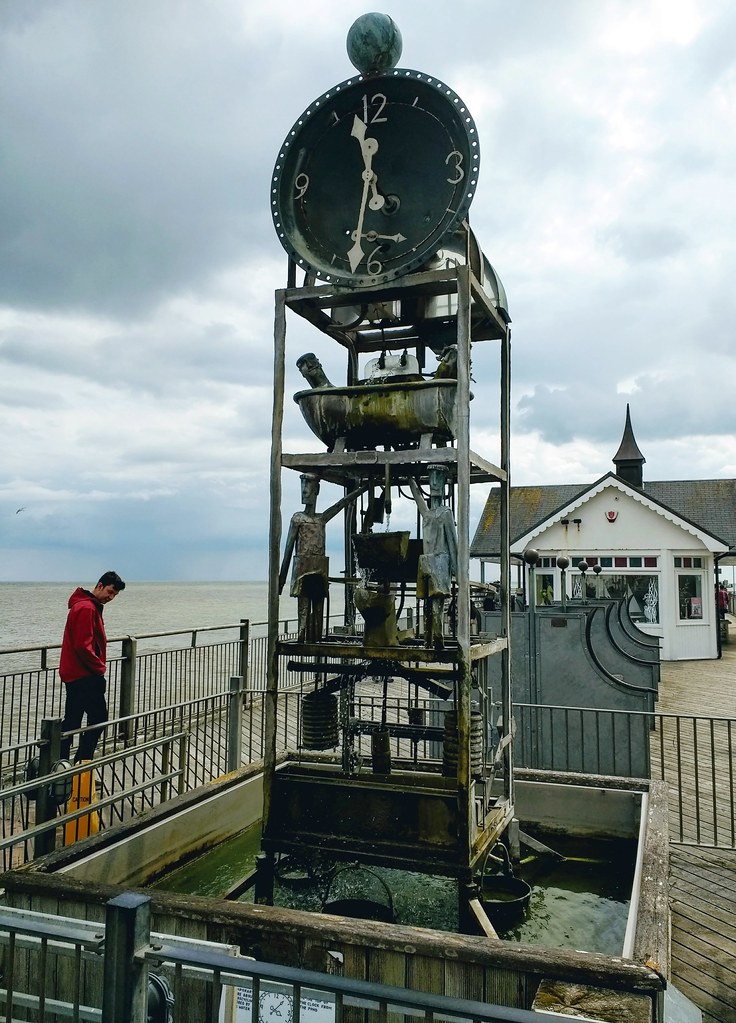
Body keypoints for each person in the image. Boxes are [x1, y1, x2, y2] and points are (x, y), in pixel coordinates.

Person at [279, 475, 364, 642]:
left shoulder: (321, 520)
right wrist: (281, 581)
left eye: (308, 485)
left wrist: (362, 489)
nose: (304, 490)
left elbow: (341, 504)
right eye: (302, 485)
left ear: (316, 490)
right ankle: (302, 636)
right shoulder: (298, 519)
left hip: (318, 568)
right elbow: (288, 550)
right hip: (303, 568)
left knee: (318, 608)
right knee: (303, 608)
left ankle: (316, 637)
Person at [59, 571, 126, 762]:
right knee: (99, 719)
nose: (111, 598)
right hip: (84, 676)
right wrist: (100, 668)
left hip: (76, 674)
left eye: (114, 595)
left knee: (72, 720)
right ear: (99, 585)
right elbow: (83, 645)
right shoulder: (87, 608)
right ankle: (81, 763)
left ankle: (61, 765)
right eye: (110, 592)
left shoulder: (86, 606)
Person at [409, 466, 458, 649]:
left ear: (444, 483)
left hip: (440, 562)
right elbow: (416, 496)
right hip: (427, 561)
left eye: (438, 478)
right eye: (431, 478)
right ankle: (427, 640)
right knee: (426, 605)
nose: (434, 482)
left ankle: (438, 640)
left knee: (437, 605)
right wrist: (408, 476)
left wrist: (457, 571)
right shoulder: (427, 513)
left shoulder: (445, 513)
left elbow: (453, 543)